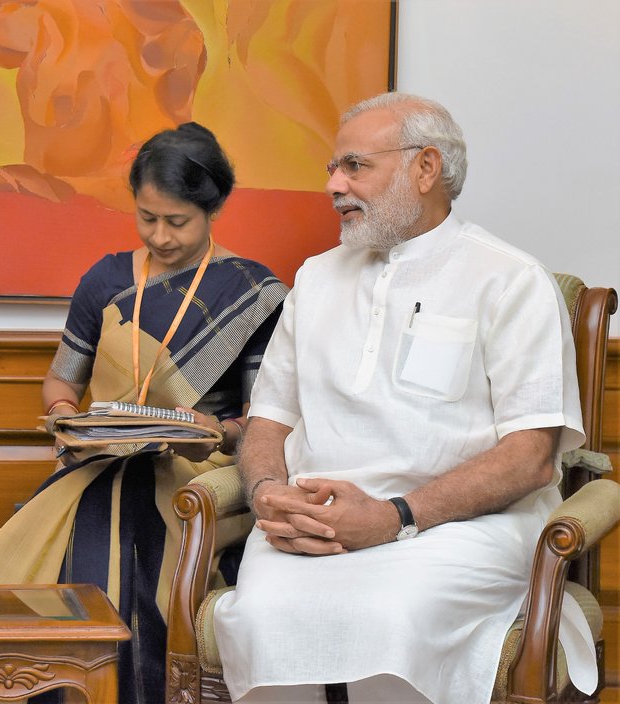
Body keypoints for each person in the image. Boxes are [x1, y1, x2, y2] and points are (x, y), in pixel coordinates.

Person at [212, 92, 596, 703]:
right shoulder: (314, 279)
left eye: (355, 166)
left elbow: (531, 456)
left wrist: (394, 517)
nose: (335, 185)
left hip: (458, 531)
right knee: (259, 619)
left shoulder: (510, 280)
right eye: (333, 169)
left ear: (425, 169)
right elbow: (268, 421)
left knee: (392, 617)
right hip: (312, 529)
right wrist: (268, 496)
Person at [0, 122, 288, 703]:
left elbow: (264, 422)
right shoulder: (106, 279)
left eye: (177, 221)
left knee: (129, 518)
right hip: (95, 469)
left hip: (196, 482)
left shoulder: (251, 292)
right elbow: (62, 381)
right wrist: (64, 417)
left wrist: (215, 432)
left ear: (214, 209)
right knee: (105, 509)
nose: (160, 236)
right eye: (146, 217)